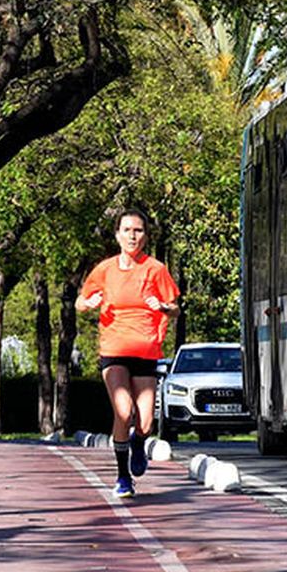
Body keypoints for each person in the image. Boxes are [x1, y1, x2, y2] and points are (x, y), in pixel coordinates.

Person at [77, 209, 180, 499]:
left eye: (138, 231)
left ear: (145, 236)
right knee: (123, 411)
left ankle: (137, 443)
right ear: (117, 235)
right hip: (113, 350)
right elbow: (80, 301)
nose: (132, 236)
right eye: (127, 230)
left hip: (146, 351)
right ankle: (123, 476)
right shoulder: (105, 269)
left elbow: (175, 309)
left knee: (145, 422)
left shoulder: (155, 269)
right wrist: (89, 303)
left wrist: (161, 306)